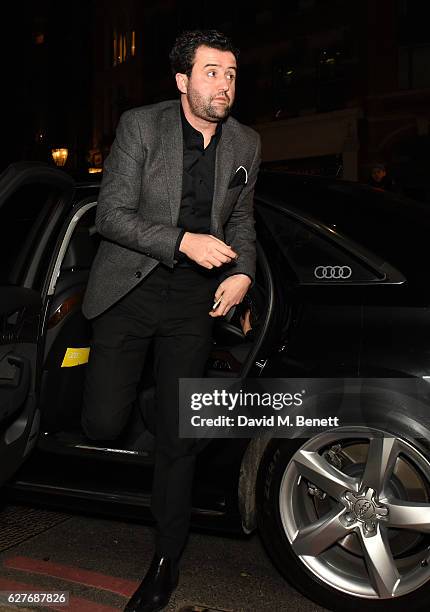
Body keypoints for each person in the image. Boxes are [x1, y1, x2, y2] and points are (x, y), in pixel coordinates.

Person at [80, 29, 261, 612]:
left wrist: (244, 274)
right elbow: (111, 216)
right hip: (129, 290)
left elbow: (243, 224)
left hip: (193, 303)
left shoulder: (246, 144)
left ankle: (166, 561)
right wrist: (182, 240)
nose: (224, 84)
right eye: (212, 72)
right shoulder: (141, 125)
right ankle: (153, 396)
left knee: (177, 445)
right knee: (104, 422)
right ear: (183, 81)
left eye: (231, 73)